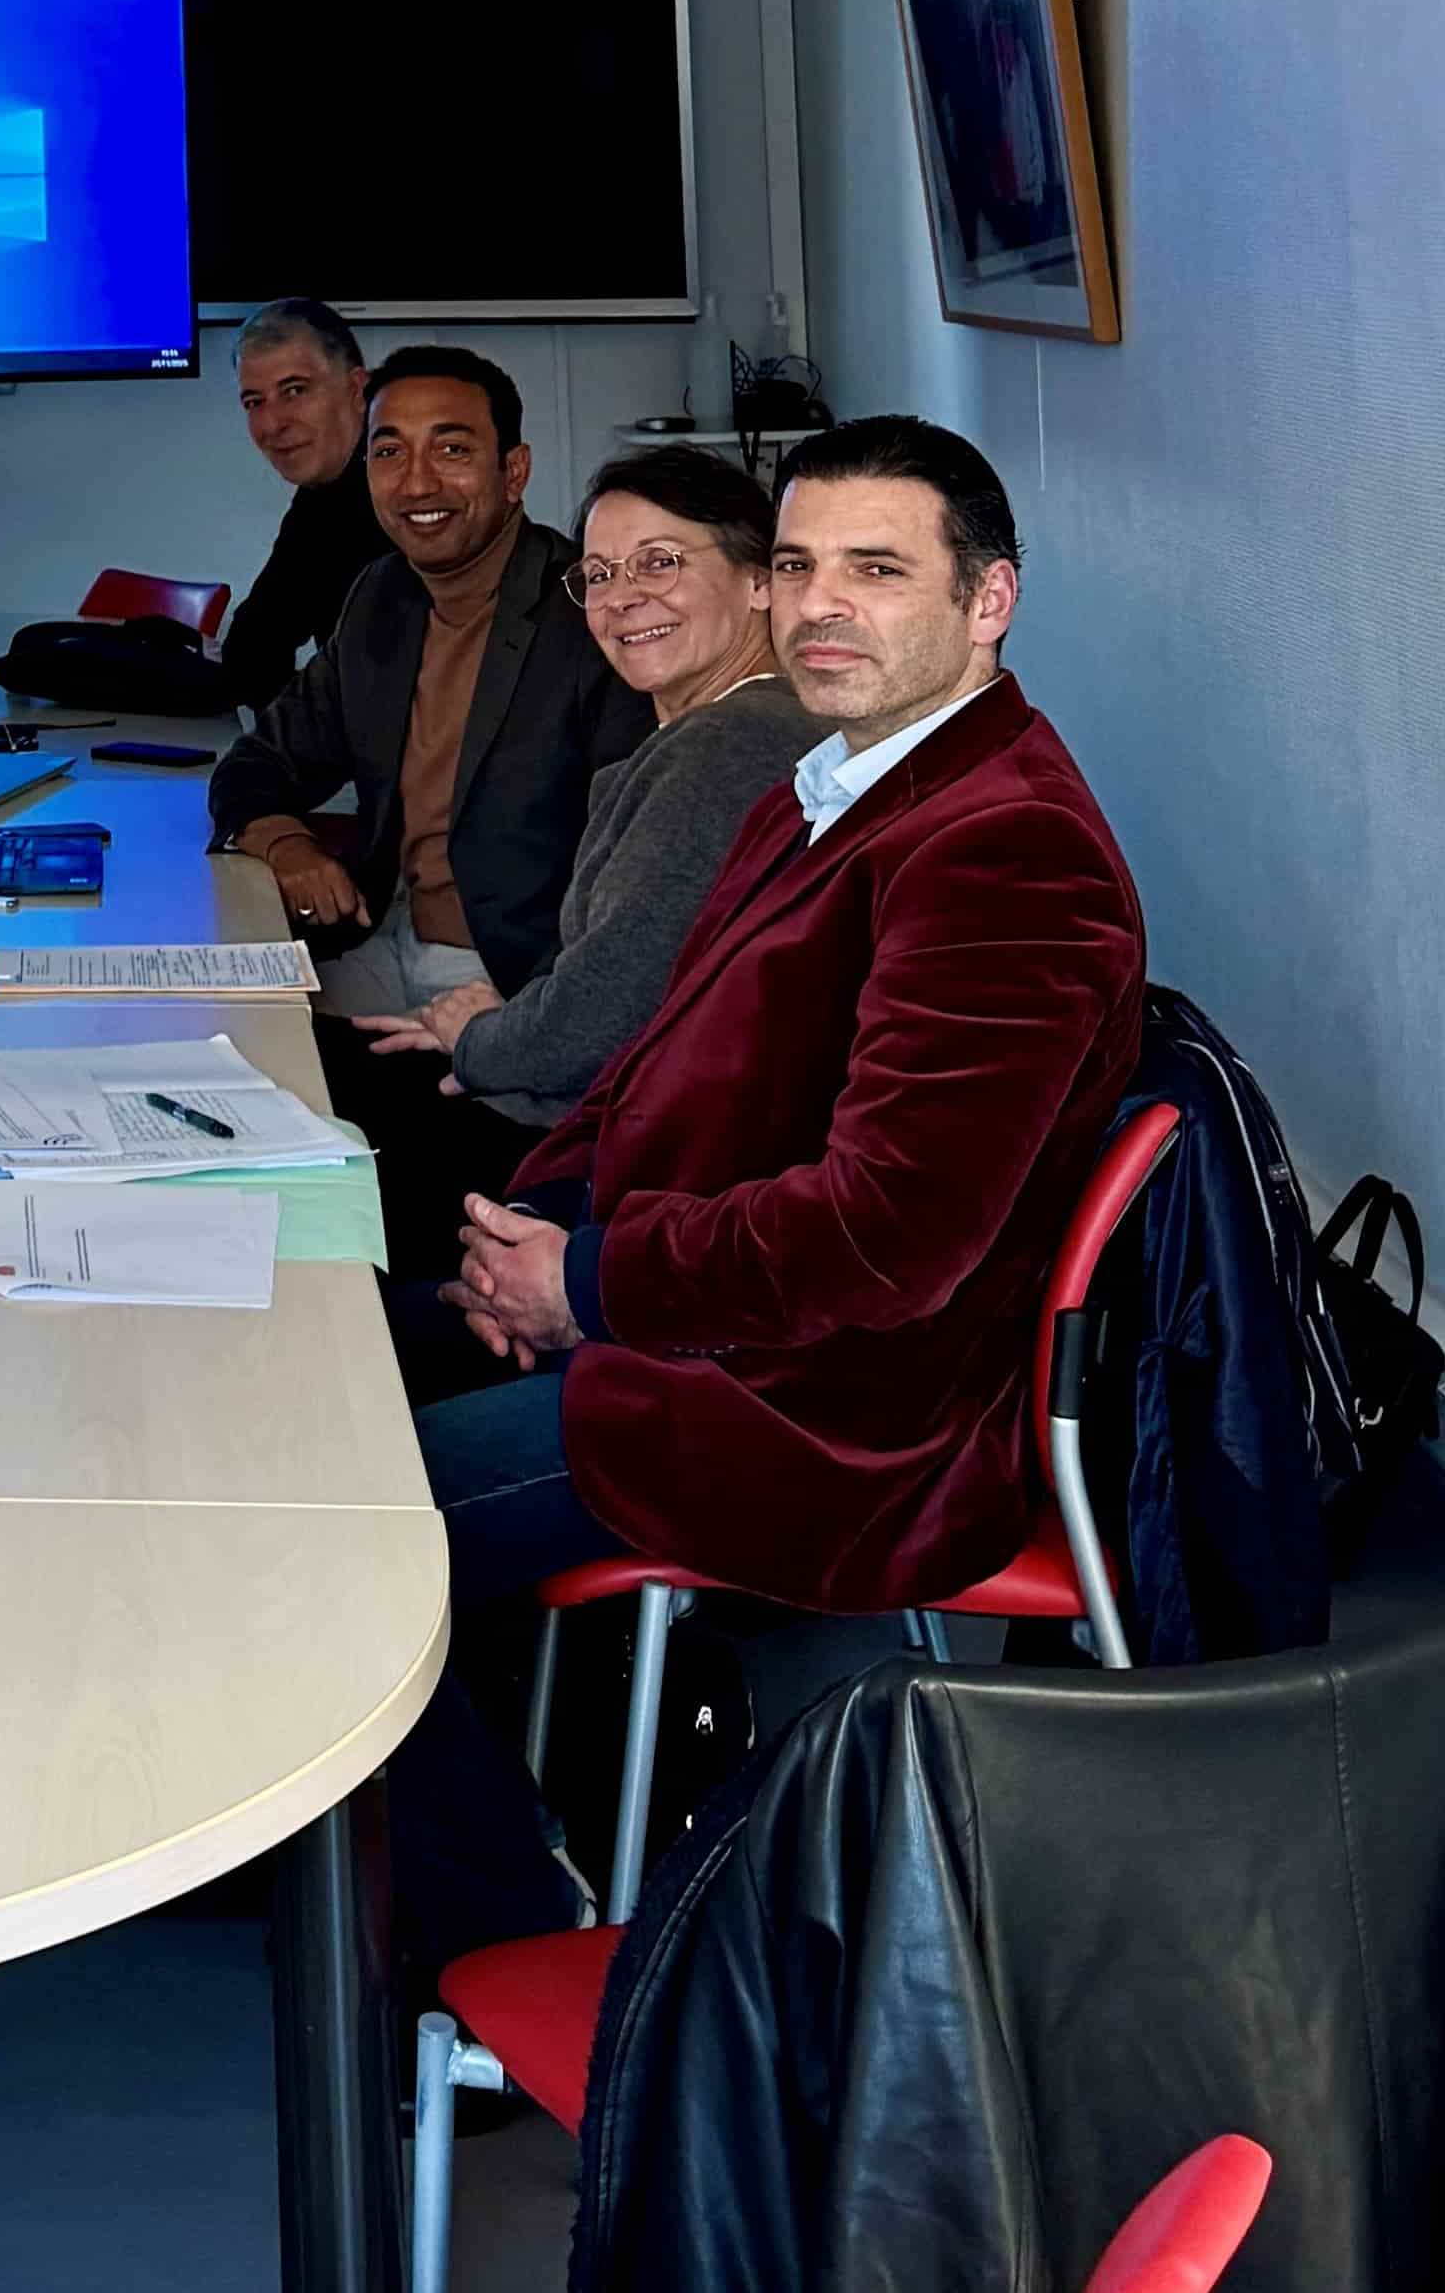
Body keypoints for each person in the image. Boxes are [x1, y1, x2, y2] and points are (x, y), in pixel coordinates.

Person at [398, 417, 1148, 1962]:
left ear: (989, 599)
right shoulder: (834, 779)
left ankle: (518, 1954)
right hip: (699, 1317)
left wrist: (587, 1285)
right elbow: (655, 1067)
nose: (822, 605)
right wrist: (529, 1234)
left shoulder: (1005, 849)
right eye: (801, 563)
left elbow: (890, 1241)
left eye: (879, 570)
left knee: (344, 1544)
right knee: (323, 1373)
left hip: (832, 1410)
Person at [205, 348, 651, 1272]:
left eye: (452, 449)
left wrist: (530, 1013)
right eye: (388, 452)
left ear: (513, 471)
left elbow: (633, 892)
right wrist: (285, 843)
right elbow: (256, 763)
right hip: (385, 940)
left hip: (511, 973)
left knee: (309, 1155)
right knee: (216, 1062)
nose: (417, 482)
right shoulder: (382, 600)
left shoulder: (588, 618)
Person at [352, 445, 832, 1126]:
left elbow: (597, 1021)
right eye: (600, 574)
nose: (623, 597)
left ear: (760, 579)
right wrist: (498, 1029)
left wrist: (476, 1041)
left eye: (660, 562)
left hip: (634, 1159)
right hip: (616, 1111)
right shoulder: (752, 725)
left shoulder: (727, 747)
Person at [210, 297, 394, 712]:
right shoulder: (325, 495)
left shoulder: (406, 489)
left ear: (357, 390)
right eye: (254, 402)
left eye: (294, 391)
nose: (273, 424)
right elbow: (251, 650)